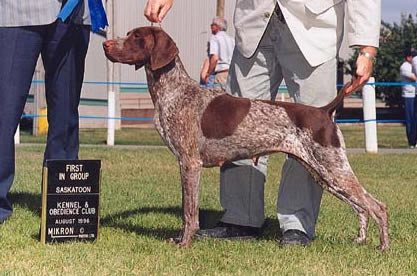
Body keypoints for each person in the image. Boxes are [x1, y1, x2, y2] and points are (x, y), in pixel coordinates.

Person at [144, 0, 380, 246]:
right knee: (231, 124)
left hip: (314, 28)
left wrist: (367, 49)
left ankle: (296, 225)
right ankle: (240, 218)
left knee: (309, 133)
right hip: (254, 23)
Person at [0, 0, 107, 223]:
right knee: (4, 111)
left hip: (75, 15)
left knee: (65, 114)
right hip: (17, 12)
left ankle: (62, 202)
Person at [202, 17, 235, 89]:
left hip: (221, 74)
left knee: (219, 99)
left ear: (216, 26)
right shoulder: (232, 40)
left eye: (212, 25)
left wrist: (208, 74)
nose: (211, 28)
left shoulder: (215, 38)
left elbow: (215, 58)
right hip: (231, 74)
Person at [400, 49, 417, 148]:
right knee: (409, 119)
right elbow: (414, 77)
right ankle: (411, 141)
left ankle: (414, 139)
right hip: (408, 95)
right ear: (408, 57)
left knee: (414, 118)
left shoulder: (412, 65)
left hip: (414, 94)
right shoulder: (404, 67)